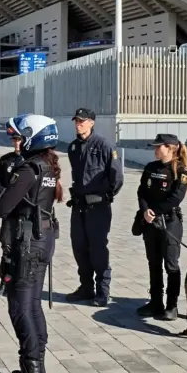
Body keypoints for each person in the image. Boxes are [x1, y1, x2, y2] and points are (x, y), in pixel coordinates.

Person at [0, 114, 62, 373]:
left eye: (22, 136)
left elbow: (2, 208)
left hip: (27, 244)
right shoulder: (48, 165)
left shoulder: (28, 169)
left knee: (20, 308)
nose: (19, 141)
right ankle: (35, 367)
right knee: (33, 305)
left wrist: (7, 190)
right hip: (42, 239)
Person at [65, 108, 123, 307]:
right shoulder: (73, 147)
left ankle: (102, 291)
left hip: (98, 207)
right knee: (79, 247)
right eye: (76, 121)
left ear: (91, 122)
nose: (78, 124)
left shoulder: (104, 145)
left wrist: (106, 196)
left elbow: (117, 177)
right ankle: (86, 287)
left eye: (82, 121)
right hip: (79, 206)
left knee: (98, 249)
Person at [134, 133, 187, 321]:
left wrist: (155, 211)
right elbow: (142, 191)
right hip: (150, 222)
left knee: (171, 264)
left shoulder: (180, 170)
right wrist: (145, 211)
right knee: (154, 262)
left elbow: (176, 198)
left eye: (159, 146)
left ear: (170, 148)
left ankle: (172, 306)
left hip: (169, 222)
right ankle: (155, 302)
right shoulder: (151, 167)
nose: (155, 150)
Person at [0, 133, 25, 297]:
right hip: (9, 211)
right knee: (7, 246)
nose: (17, 143)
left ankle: (21, 283)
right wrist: (4, 196)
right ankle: (5, 282)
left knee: (24, 248)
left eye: (20, 140)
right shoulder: (5, 159)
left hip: (24, 212)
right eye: (14, 140)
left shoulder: (31, 160)